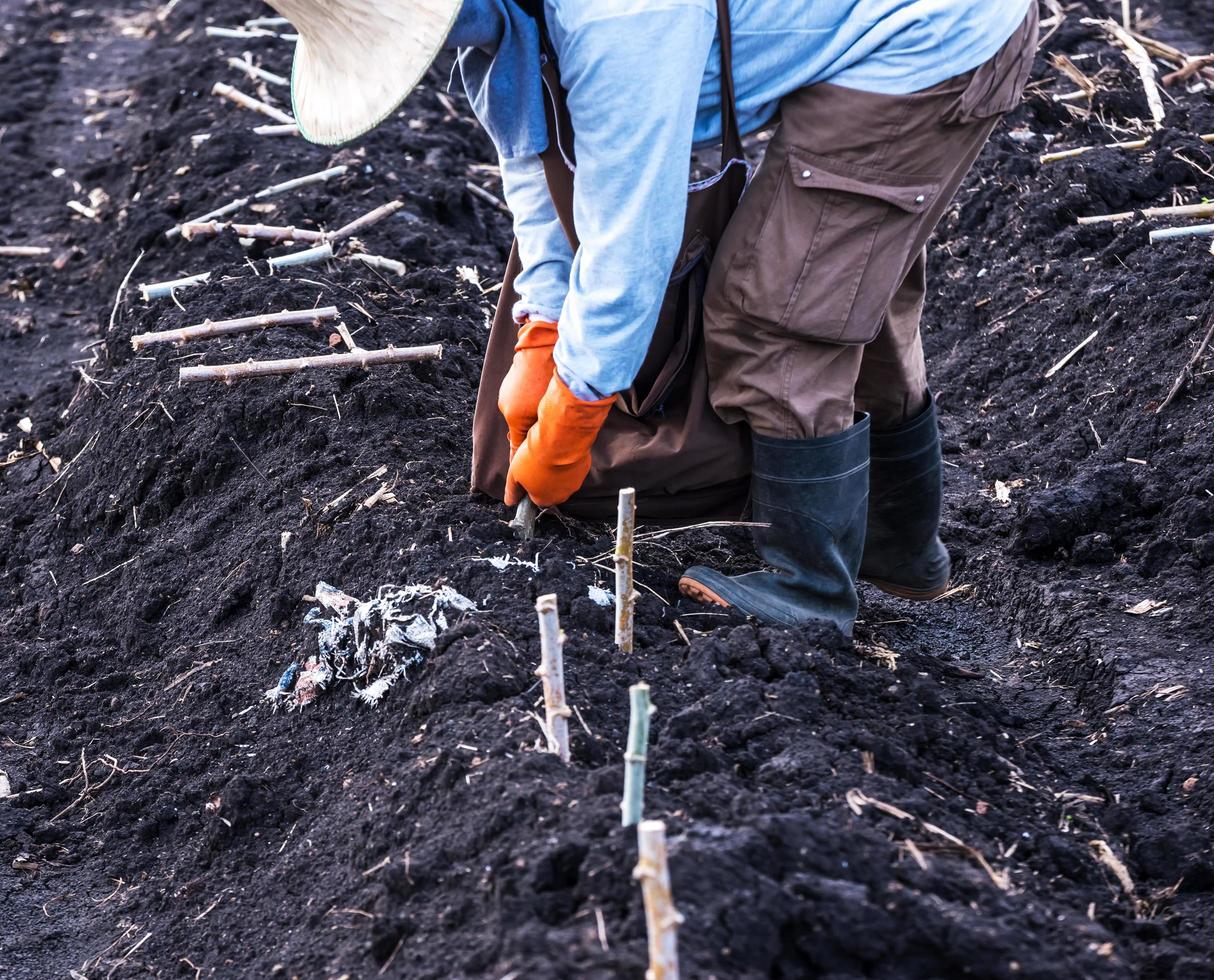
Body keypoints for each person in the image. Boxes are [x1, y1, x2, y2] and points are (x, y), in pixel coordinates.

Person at [262, 0, 1037, 636]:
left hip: (932, 39)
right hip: (885, 33)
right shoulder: (505, 25)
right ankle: (900, 553)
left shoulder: (619, 20)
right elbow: (540, 175)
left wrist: (577, 404)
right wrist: (541, 327)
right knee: (843, 278)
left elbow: (634, 237)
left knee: (778, 309)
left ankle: (812, 590)